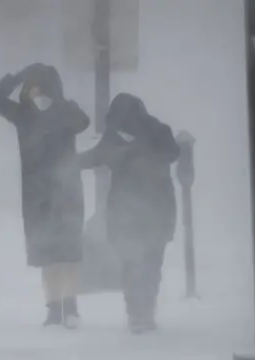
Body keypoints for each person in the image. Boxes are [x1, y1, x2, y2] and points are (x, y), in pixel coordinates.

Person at [0, 63, 90, 329]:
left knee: (68, 254)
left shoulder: (64, 111)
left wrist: (60, 103)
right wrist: (17, 75)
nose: (32, 90)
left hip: (66, 192)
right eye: (28, 85)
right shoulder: (24, 114)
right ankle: (55, 308)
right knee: (48, 255)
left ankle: (70, 307)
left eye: (36, 84)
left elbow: (84, 121)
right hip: (38, 196)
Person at [78, 93, 180, 334]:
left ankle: (139, 314)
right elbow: (95, 157)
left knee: (136, 263)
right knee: (144, 263)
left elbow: (171, 154)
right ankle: (141, 313)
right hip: (146, 211)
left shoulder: (155, 132)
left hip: (145, 211)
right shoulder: (119, 136)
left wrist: (134, 149)